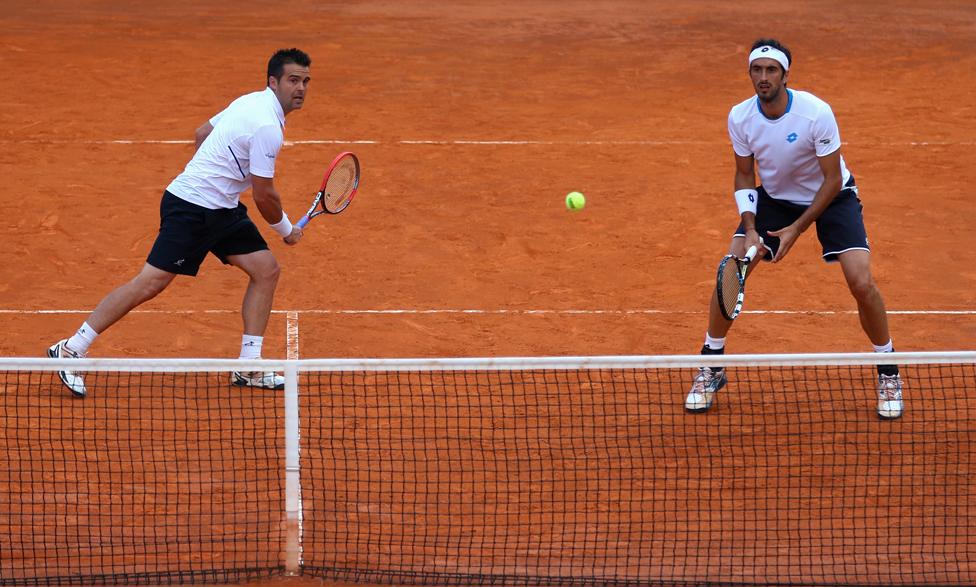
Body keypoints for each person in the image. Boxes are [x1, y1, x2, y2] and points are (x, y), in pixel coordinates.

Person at [47, 48, 312, 397]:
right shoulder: (267, 126)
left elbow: (202, 133)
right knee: (150, 283)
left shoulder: (249, 102)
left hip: (219, 207)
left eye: (306, 81)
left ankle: (249, 364)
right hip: (193, 209)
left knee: (266, 269)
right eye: (293, 80)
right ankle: (70, 349)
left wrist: (210, 177)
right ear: (273, 81)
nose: (301, 88)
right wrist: (287, 230)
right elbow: (265, 196)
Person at [683, 39, 904, 419]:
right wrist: (751, 228)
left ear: (786, 75)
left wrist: (796, 230)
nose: (763, 77)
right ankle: (711, 365)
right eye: (757, 70)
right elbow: (743, 174)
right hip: (775, 199)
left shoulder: (815, 113)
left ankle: (889, 371)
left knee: (861, 281)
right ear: (750, 73)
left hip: (831, 196)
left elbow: (832, 179)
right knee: (731, 270)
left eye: (772, 70)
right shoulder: (740, 117)